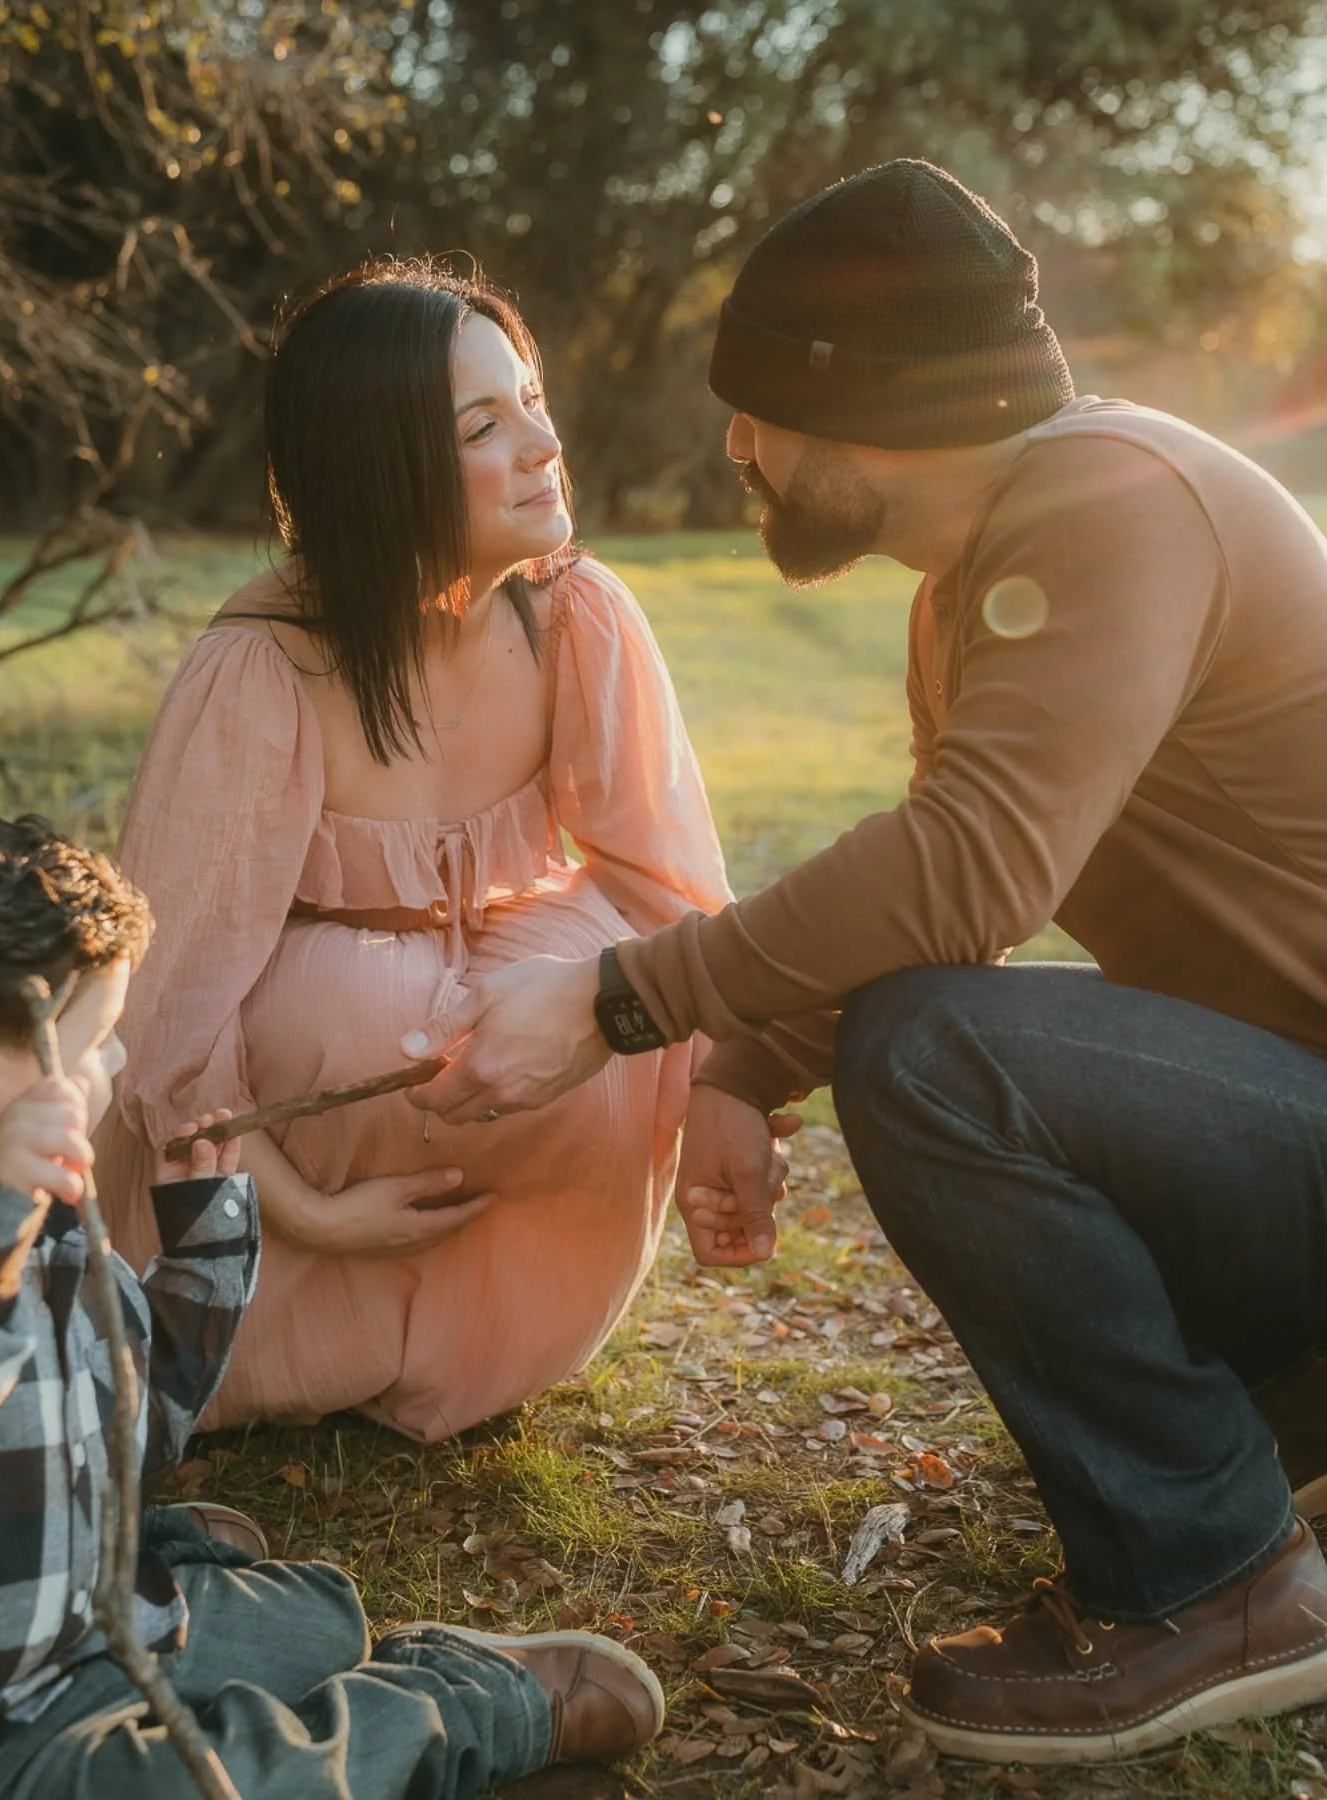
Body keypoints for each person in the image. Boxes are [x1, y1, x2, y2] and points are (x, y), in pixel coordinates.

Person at [397, 160, 1327, 1764]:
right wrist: (745, 1068)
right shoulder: (987, 578)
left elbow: (968, 868)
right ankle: (1281, 1407)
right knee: (924, 1019)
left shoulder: (1116, 507)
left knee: (933, 1056)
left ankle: (1217, 1583)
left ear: (864, 406)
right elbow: (953, 900)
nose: (738, 449)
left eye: (758, 410)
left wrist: (628, 1002)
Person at [0, 806, 663, 1799]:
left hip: (84, 1627)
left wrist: (203, 1251)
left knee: (320, 1623)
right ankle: (472, 1707)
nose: (115, 1066)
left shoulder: (39, 1216)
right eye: (95, 1045)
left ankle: (158, 1557)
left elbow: (134, 1414)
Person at [93, 260, 732, 1441]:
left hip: (500, 998)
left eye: (531, 400)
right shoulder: (263, 667)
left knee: (612, 978)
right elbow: (170, 1018)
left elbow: (674, 893)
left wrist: (717, 1077)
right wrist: (309, 1214)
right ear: (378, 469)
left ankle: (476, 1341)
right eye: (484, 427)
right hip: (282, 1144)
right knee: (360, 1008)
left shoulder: (577, 614)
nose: (544, 445)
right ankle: (301, 1337)